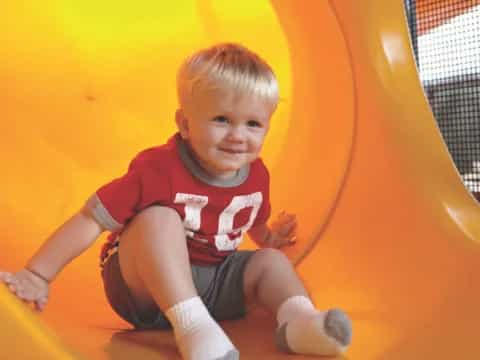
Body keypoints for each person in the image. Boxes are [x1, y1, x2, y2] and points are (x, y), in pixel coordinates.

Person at [0, 43, 352, 360]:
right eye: (221, 120)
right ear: (185, 123)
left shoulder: (256, 174)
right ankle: (193, 327)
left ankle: (300, 324)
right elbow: (91, 219)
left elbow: (252, 220)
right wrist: (38, 273)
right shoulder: (158, 169)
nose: (237, 136)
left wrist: (270, 239)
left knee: (271, 262)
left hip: (215, 281)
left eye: (253, 124)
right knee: (158, 218)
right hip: (142, 288)